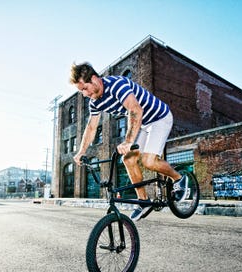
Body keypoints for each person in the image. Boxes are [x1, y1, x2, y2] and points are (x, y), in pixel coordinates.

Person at [70, 62, 187, 221]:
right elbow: (91, 128)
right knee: (128, 159)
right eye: (81, 91)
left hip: (159, 118)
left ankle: (179, 179)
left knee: (148, 161)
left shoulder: (117, 84)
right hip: (143, 124)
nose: (84, 94)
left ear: (94, 79)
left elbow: (135, 109)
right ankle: (143, 201)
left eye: (84, 88)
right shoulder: (95, 102)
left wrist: (128, 141)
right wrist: (81, 151)